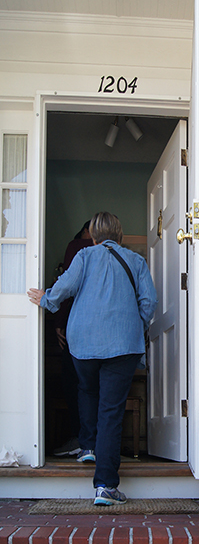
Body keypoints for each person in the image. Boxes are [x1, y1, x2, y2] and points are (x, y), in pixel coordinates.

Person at [28, 212, 158, 506]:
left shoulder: (85, 256)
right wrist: (134, 324)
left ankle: (87, 445)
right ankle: (105, 486)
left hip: (83, 342)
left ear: (94, 236)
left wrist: (44, 299)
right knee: (110, 411)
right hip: (123, 345)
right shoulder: (136, 261)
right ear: (120, 235)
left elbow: (63, 288)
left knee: (86, 389)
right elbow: (149, 302)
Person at [51, 220, 93, 457]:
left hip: (76, 326)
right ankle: (94, 441)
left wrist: (59, 322)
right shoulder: (121, 254)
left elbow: (66, 287)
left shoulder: (77, 247)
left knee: (75, 382)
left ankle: (80, 438)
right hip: (107, 334)